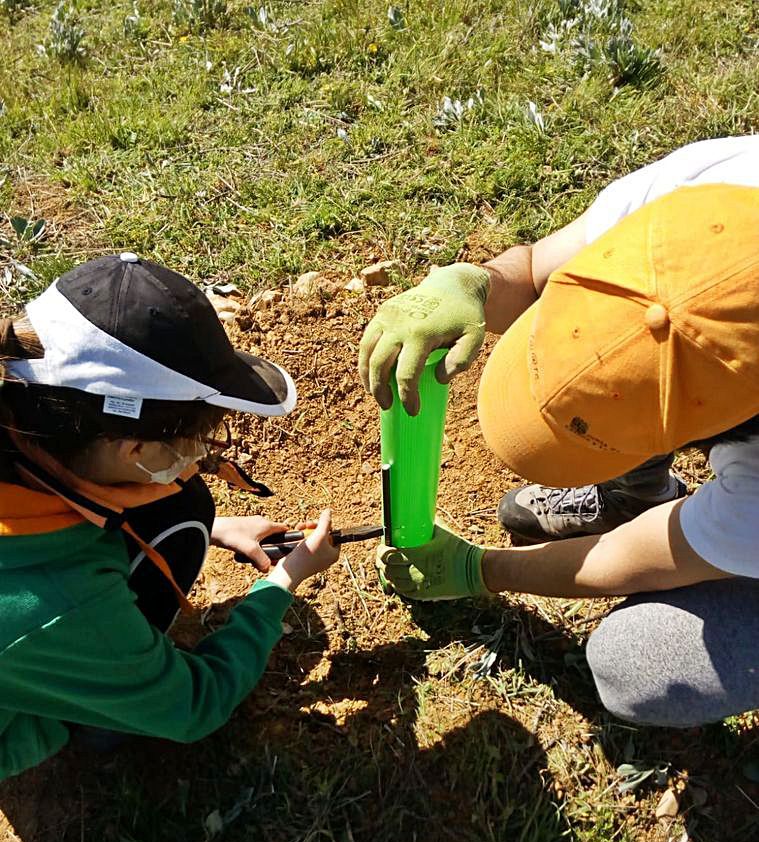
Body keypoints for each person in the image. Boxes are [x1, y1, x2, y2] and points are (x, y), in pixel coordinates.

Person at [360, 135, 759, 728]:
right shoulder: (708, 188)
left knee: (638, 666)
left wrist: (479, 570)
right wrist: (473, 283)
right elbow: (530, 268)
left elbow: (638, 557)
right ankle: (636, 493)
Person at [0, 253, 339, 781]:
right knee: (181, 512)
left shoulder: (22, 410)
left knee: (185, 507)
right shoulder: (55, 604)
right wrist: (282, 581)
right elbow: (195, 707)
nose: (205, 454)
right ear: (133, 447)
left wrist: (218, 527)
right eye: (200, 442)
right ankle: (94, 717)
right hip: (20, 714)